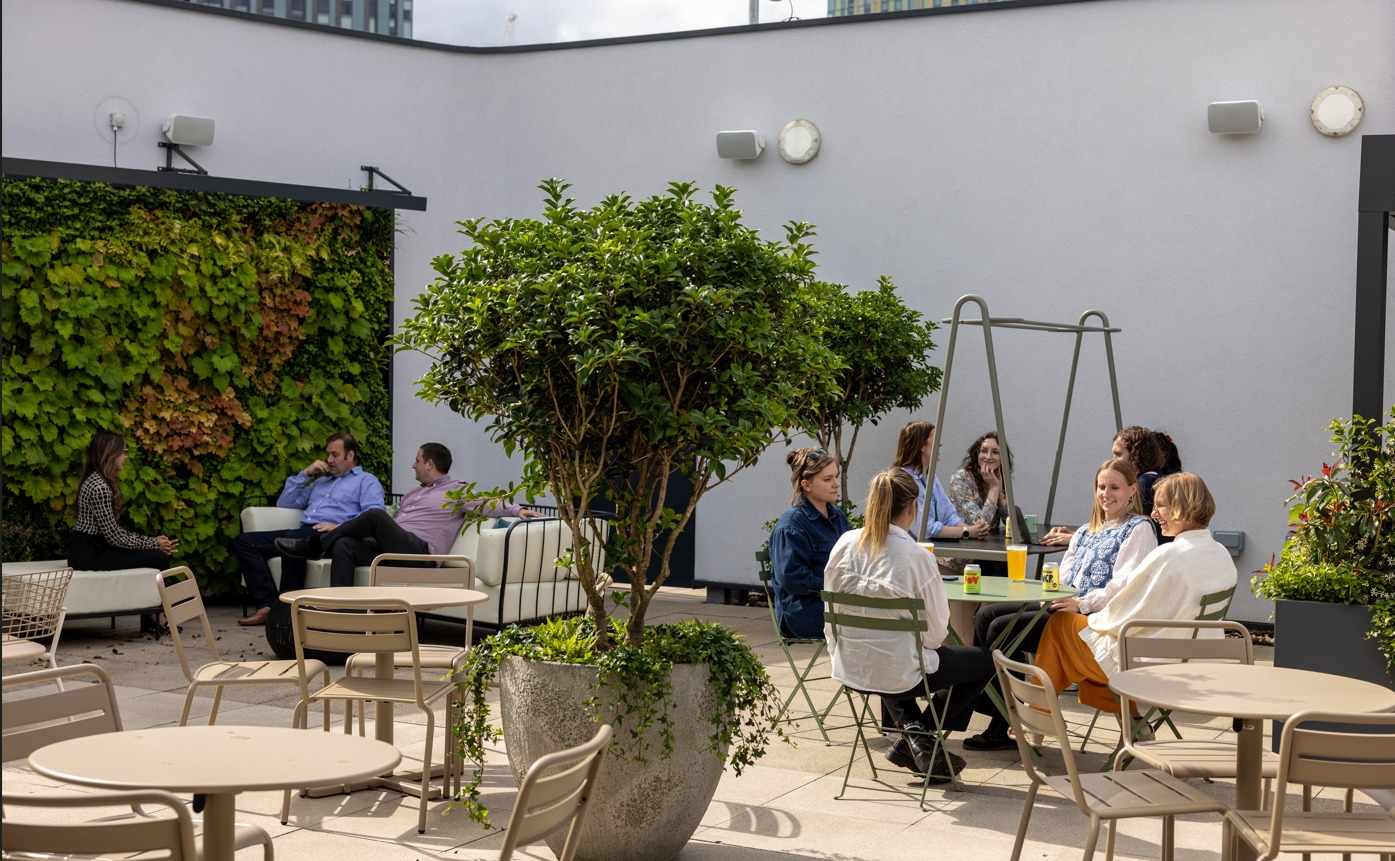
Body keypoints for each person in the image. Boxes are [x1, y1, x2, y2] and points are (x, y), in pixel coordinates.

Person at [964, 458, 1156, 750]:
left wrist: (1081, 603)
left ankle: (1006, 721)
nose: (1106, 493)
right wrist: (1050, 594)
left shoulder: (1138, 528)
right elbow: (1066, 574)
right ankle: (1002, 715)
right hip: (1064, 605)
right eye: (1101, 487)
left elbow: (1126, 585)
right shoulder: (1089, 529)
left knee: (1001, 629)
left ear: (1132, 490)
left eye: (1114, 487)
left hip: (1093, 619)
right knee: (985, 615)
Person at [824, 468, 995, 782]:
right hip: (896, 672)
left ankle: (913, 735)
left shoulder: (844, 544)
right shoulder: (915, 556)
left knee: (890, 650)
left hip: (849, 665)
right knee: (985, 661)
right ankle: (923, 737)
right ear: (913, 507)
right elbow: (935, 634)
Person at [1032, 472, 1237, 714]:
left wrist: (1085, 609)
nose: (1154, 514)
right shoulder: (1220, 553)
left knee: (1062, 623)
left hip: (1150, 668)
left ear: (1184, 505)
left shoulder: (1170, 555)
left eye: (1161, 505)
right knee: (1075, 640)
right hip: (1195, 663)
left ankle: (1039, 714)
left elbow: (1125, 612)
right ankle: (1132, 726)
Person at [274, 442, 543, 584]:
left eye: (416, 459)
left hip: (420, 555)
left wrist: (517, 509)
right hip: (393, 550)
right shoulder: (413, 493)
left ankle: (314, 545)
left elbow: (486, 503)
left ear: (429, 463)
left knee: (377, 516)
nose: (412, 465)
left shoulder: (456, 491)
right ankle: (343, 618)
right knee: (345, 544)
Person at [234, 433, 385, 626]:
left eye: (335, 455)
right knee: (244, 542)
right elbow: (285, 502)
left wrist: (339, 528)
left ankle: (286, 614)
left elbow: (374, 516)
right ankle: (266, 606)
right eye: (327, 454)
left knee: (293, 542)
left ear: (350, 455)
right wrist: (305, 473)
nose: (329, 460)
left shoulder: (366, 481)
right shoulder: (320, 482)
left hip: (332, 538)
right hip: (304, 533)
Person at [69, 432, 179, 635]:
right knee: (158, 557)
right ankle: (156, 617)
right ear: (111, 454)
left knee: (157, 556)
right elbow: (114, 536)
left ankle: (153, 617)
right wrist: (154, 543)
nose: (125, 457)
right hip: (89, 554)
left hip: (95, 547)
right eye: (123, 452)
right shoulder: (99, 487)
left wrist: (152, 542)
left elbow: (111, 535)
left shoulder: (97, 481)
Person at [769, 447, 851, 640]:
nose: (836, 484)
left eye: (836, 477)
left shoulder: (838, 517)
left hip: (836, 602)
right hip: (803, 613)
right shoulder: (790, 526)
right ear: (806, 485)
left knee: (889, 613)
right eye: (827, 479)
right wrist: (836, 588)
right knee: (873, 620)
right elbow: (793, 579)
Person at [891, 421, 988, 546]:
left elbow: (950, 516)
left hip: (932, 554)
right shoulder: (904, 480)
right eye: (936, 438)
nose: (940, 443)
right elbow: (925, 528)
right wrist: (967, 531)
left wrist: (975, 531)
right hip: (911, 556)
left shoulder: (931, 478)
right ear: (921, 445)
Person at [947, 431, 1013, 576]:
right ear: (977, 454)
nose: (988, 456)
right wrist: (994, 490)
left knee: (1010, 560)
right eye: (984, 451)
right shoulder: (962, 478)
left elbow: (1012, 526)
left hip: (987, 553)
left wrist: (1001, 499)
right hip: (962, 557)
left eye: (995, 452)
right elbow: (979, 526)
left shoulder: (998, 479)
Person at [1111, 425, 1166, 514]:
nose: (1114, 460)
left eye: (1118, 454)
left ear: (1135, 454)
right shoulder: (1155, 477)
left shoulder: (1146, 483)